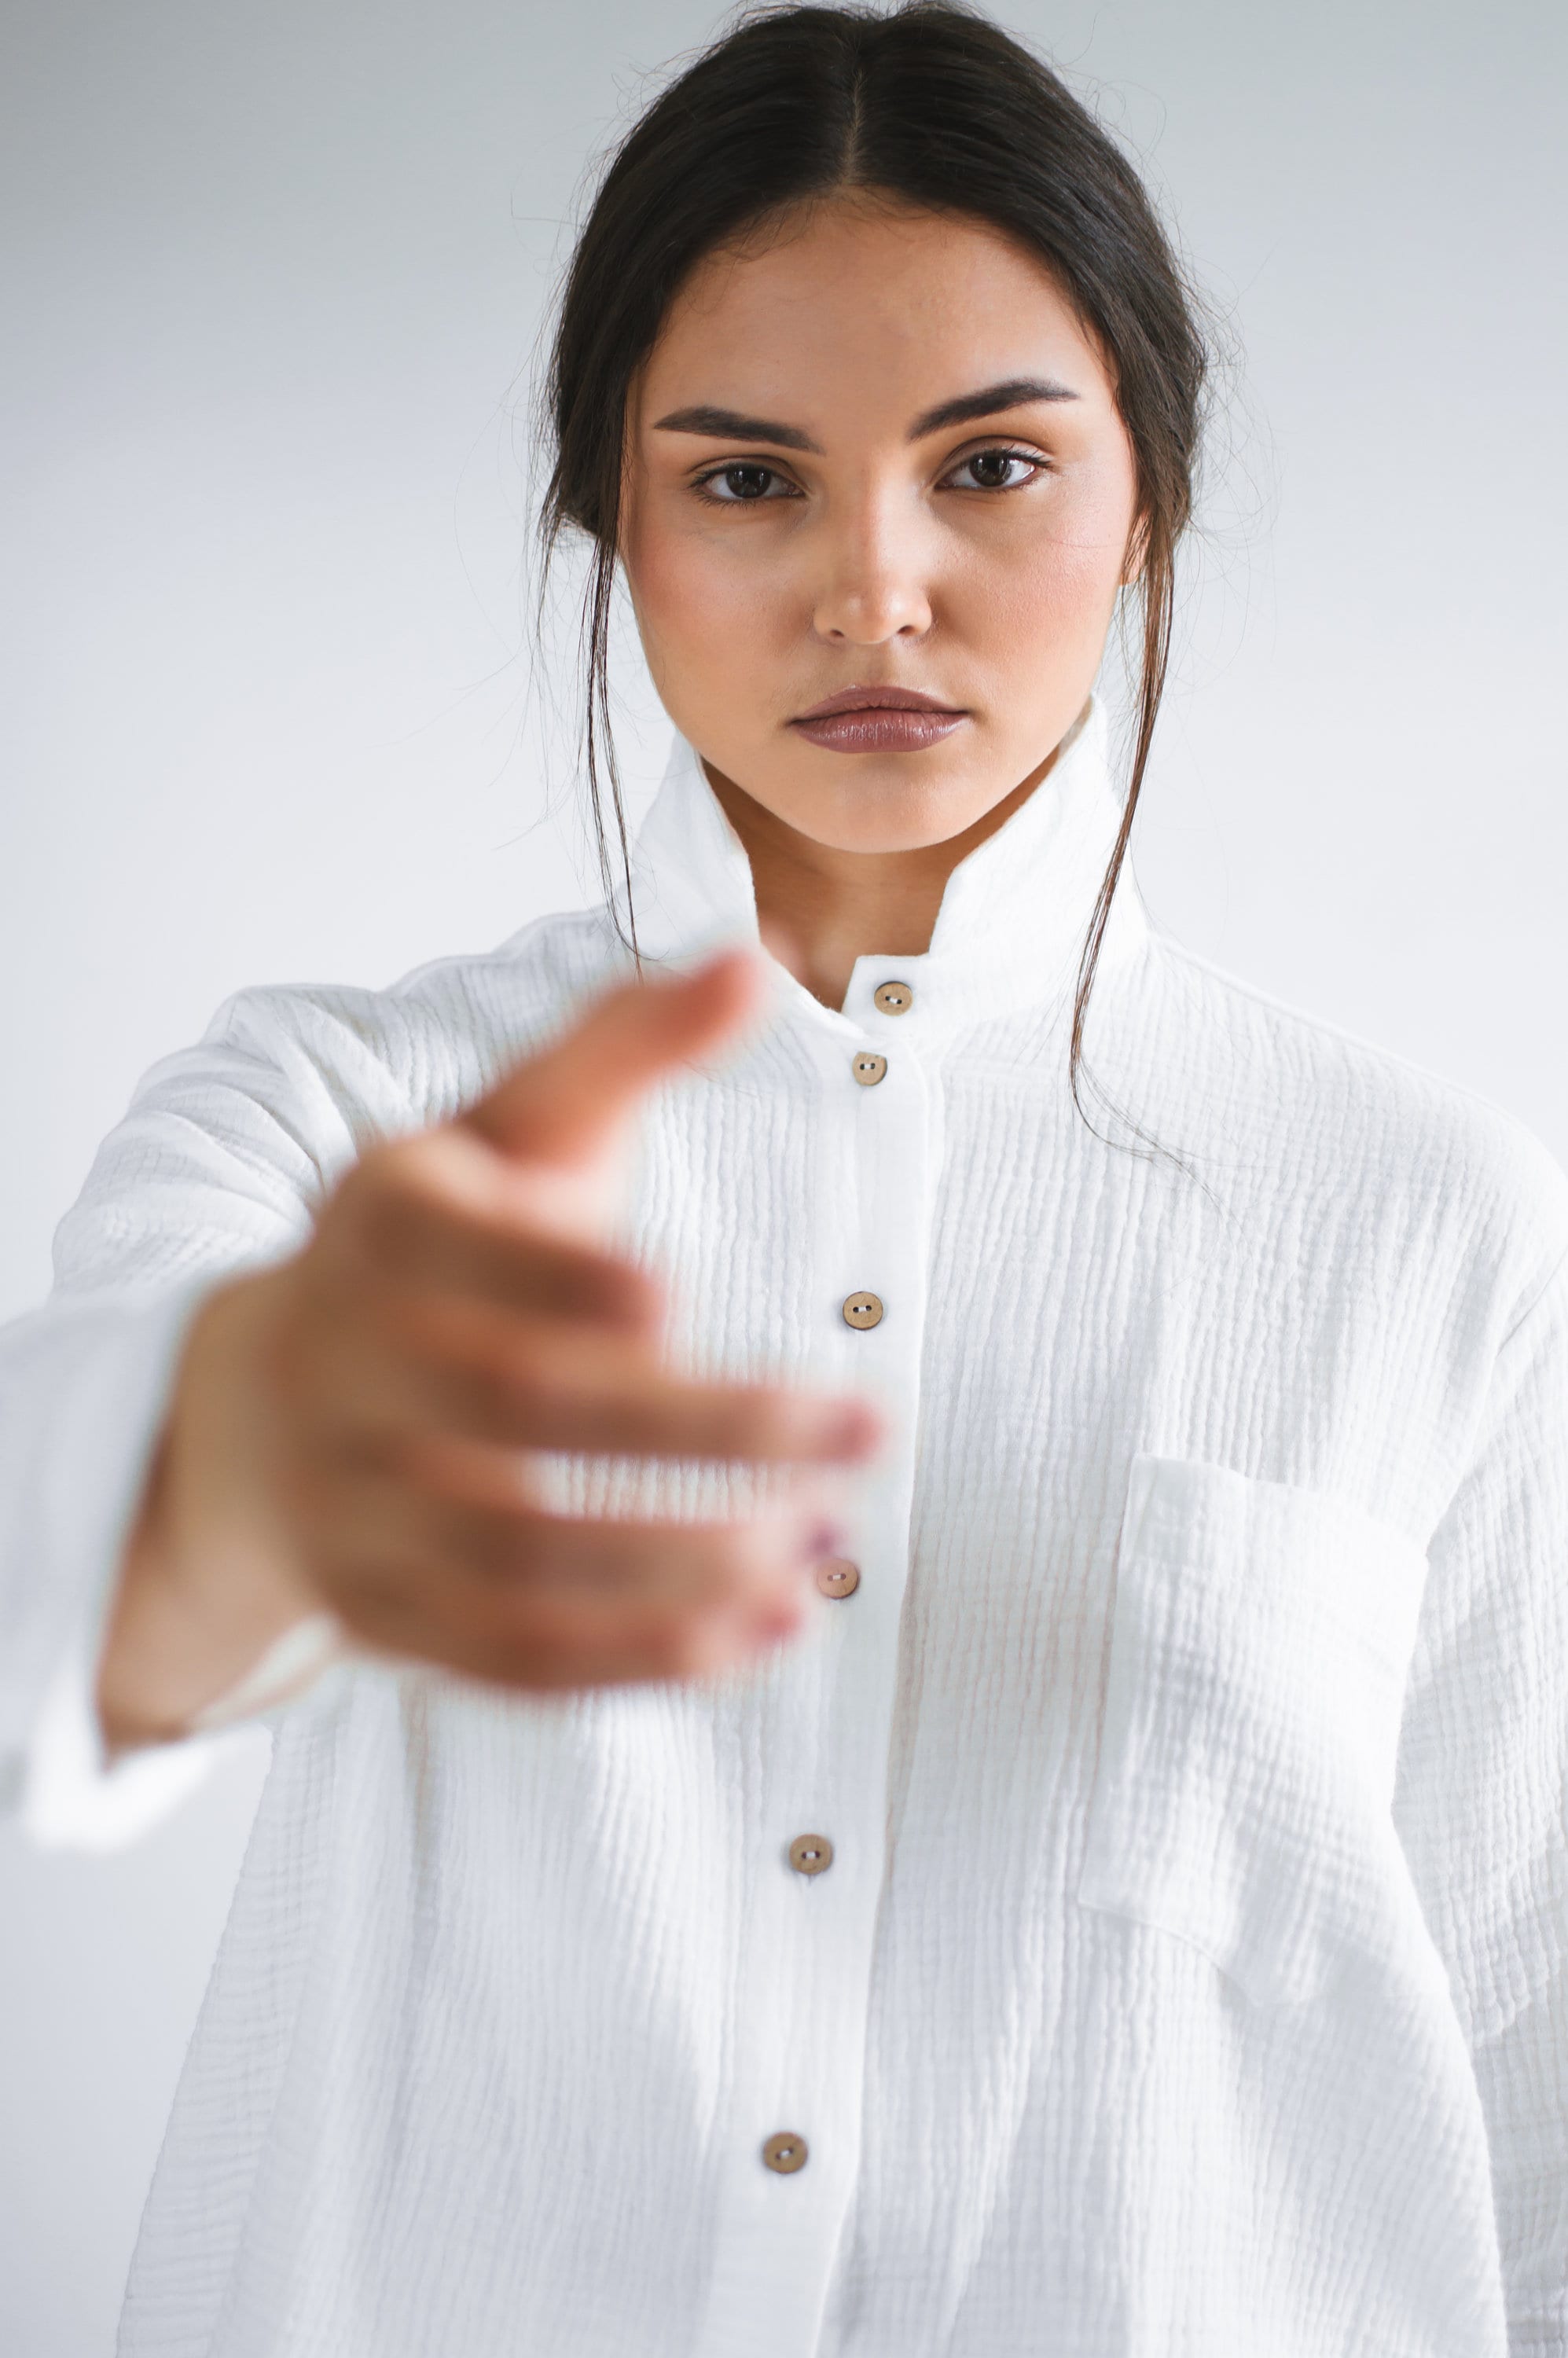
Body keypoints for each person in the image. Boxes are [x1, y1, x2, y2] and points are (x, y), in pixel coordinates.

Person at [2, 3, 1566, 2351]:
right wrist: (234, 1474)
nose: (877, 586)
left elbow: (1511, 2079)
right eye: (744, 479)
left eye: (992, 468)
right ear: (602, 513)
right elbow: (69, 1583)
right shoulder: (332, 1122)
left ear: (1146, 486)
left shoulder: (1425, 1221)